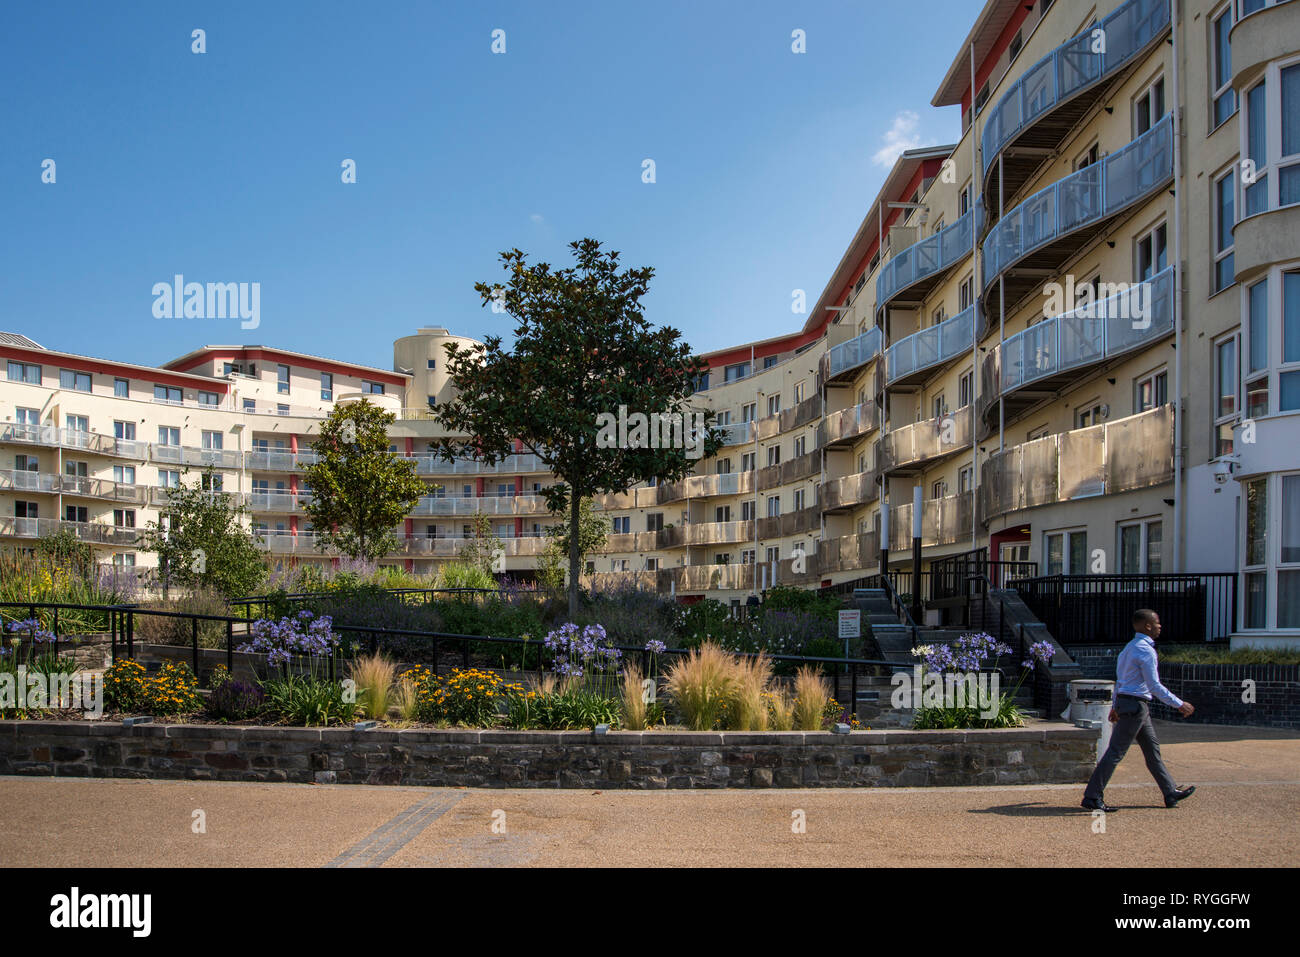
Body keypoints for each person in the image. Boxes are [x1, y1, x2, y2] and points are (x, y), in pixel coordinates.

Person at [1081, 609, 1196, 813]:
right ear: (1148, 626)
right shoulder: (1145, 650)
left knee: (1152, 751)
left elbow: (1121, 680)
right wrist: (1179, 704)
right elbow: (1154, 685)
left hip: (1131, 705)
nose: (1160, 626)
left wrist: (1116, 705)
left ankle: (1170, 792)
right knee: (1116, 752)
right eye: (1157, 622)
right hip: (1136, 706)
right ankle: (1092, 796)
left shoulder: (1128, 648)